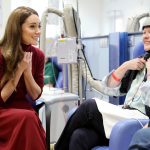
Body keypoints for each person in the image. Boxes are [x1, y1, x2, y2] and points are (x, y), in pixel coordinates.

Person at [51, 17, 150, 150]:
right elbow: (109, 89)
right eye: (144, 32)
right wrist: (125, 66)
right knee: (79, 136)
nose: (145, 36)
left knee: (89, 106)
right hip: (124, 114)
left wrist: (148, 75)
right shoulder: (139, 64)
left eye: (149, 32)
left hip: (139, 120)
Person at [0, 6, 47, 150]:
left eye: (39, 26)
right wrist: (19, 70)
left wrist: (27, 71)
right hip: (3, 111)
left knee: (28, 117)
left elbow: (35, 95)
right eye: (32, 27)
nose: (38, 31)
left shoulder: (38, 55)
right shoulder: (2, 54)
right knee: (28, 118)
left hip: (24, 110)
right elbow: (1, 98)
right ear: (17, 29)